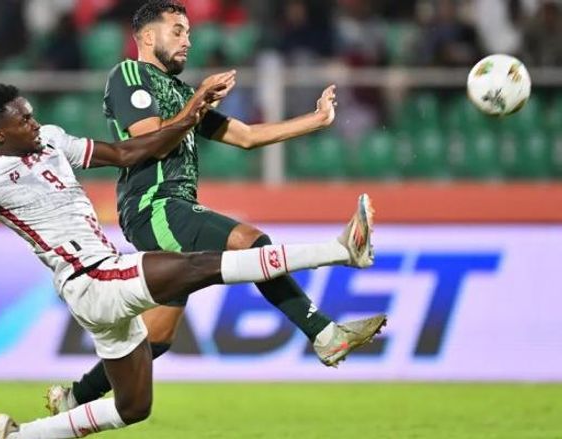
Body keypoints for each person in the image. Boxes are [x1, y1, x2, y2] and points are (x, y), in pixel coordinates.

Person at [0, 83, 381, 439]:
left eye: (32, 114)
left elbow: (128, 151)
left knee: (133, 408)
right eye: (23, 120)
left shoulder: (53, 141)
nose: (34, 123)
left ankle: (18, 437)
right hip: (90, 279)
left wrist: (188, 115)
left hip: (101, 286)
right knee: (199, 265)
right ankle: (341, 250)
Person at [47, 0, 385, 413]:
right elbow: (151, 140)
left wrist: (315, 120)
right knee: (250, 241)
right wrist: (197, 104)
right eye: (177, 31)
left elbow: (245, 136)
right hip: (153, 205)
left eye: (189, 32)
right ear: (148, 36)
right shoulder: (129, 75)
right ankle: (324, 332)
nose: (188, 41)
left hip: (173, 206)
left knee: (157, 337)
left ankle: (75, 397)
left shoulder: (180, 93)